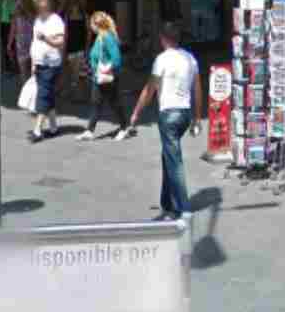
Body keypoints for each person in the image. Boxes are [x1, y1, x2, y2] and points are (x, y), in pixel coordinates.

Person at [129, 22, 204, 220]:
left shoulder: (161, 60)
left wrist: (136, 112)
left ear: (163, 39)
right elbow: (197, 89)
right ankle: (167, 201)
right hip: (185, 113)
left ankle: (182, 207)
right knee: (168, 156)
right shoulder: (190, 58)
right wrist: (197, 118)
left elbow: (150, 89)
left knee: (174, 160)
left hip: (168, 114)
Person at [80, 11, 132, 140]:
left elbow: (117, 58)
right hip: (99, 77)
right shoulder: (100, 37)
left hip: (108, 77)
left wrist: (109, 69)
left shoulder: (107, 37)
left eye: (91, 23)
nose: (90, 26)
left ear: (96, 25)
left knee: (115, 103)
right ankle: (89, 131)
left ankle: (125, 127)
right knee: (96, 102)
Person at [27, 0, 66, 142]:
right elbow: (34, 43)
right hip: (39, 63)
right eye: (38, 9)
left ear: (47, 8)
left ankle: (37, 130)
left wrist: (45, 38)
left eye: (41, 8)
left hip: (51, 64)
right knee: (48, 95)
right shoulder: (38, 20)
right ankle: (54, 127)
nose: (39, 12)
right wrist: (33, 63)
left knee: (43, 95)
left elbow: (60, 42)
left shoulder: (56, 21)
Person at [9, 0, 37, 84]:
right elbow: (13, 26)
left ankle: (28, 89)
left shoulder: (29, 7)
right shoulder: (18, 7)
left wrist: (9, 43)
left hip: (27, 42)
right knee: (26, 70)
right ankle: (28, 89)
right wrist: (9, 43)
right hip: (25, 41)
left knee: (27, 70)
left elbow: (14, 27)